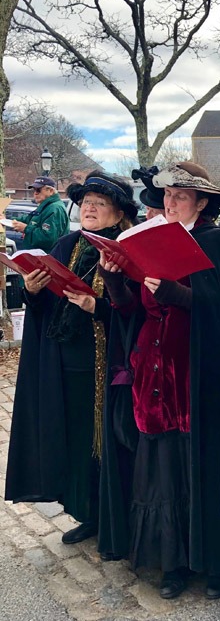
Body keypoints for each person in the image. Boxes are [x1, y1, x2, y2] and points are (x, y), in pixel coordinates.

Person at [98, 162, 220, 600]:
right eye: (166, 196)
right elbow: (132, 312)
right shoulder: (149, 243)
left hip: (202, 378)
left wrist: (182, 296)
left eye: (180, 196)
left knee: (204, 466)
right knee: (164, 472)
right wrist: (113, 281)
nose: (170, 202)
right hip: (154, 375)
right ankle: (174, 563)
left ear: (202, 203)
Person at [5, 172, 138, 546]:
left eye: (99, 204)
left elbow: (138, 312)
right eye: (86, 203)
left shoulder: (127, 249)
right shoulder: (67, 244)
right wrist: (32, 291)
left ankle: (116, 519)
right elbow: (46, 305)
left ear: (118, 213)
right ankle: (87, 513)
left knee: (109, 442)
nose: (89, 209)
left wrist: (98, 307)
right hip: (64, 362)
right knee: (77, 440)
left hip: (111, 364)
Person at [11, 176, 69, 252]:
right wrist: (7, 220)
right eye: (34, 190)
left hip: (47, 260)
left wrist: (26, 229)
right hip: (38, 259)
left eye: (38, 190)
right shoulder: (45, 206)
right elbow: (28, 219)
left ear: (50, 191)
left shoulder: (54, 209)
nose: (35, 193)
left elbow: (48, 239)